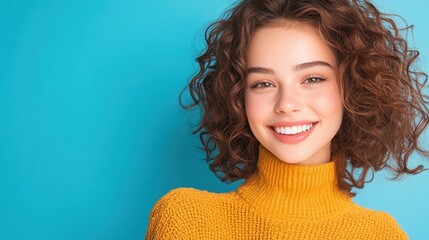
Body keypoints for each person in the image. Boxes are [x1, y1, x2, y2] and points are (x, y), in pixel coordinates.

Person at [145, 0, 428, 239]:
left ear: (353, 87)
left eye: (313, 78)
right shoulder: (185, 221)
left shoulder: (381, 235)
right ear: (238, 96)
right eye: (263, 83)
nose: (287, 104)